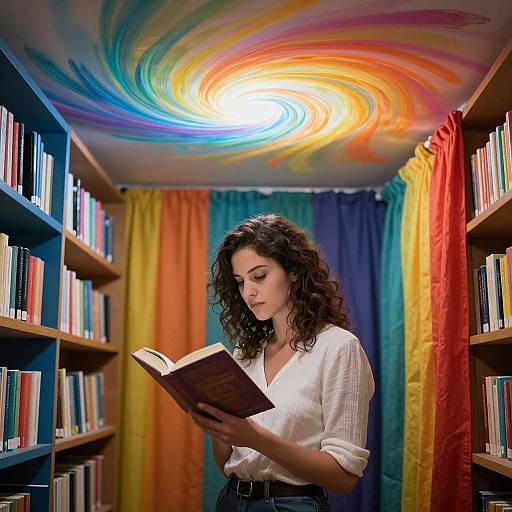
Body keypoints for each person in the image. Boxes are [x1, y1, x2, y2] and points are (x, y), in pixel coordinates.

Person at [190, 214, 374, 512]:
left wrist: (255, 437)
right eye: (240, 282)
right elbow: (227, 463)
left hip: (292, 505)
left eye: (259, 276)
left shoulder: (339, 347)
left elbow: (344, 477)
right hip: (231, 501)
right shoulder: (245, 352)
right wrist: (219, 428)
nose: (248, 291)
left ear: (294, 272)